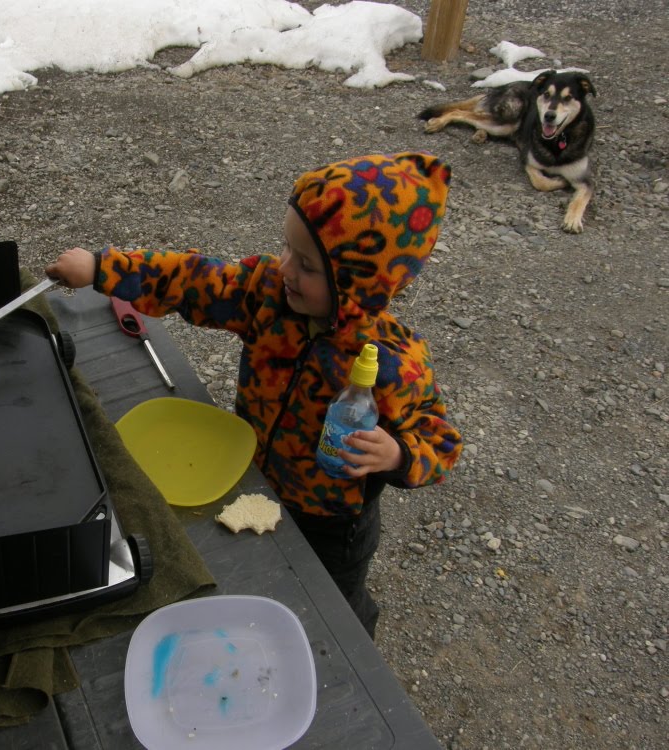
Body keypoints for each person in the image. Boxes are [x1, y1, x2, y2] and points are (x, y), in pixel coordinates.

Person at [46, 152, 462, 638]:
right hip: (255, 471)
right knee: (261, 569)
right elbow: (192, 280)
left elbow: (441, 442)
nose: (285, 267)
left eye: (306, 264)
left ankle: (350, 640)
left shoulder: (390, 363)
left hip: (332, 521)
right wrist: (103, 268)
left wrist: (397, 455)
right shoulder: (266, 294)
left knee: (335, 602)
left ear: (360, 284)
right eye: (287, 247)